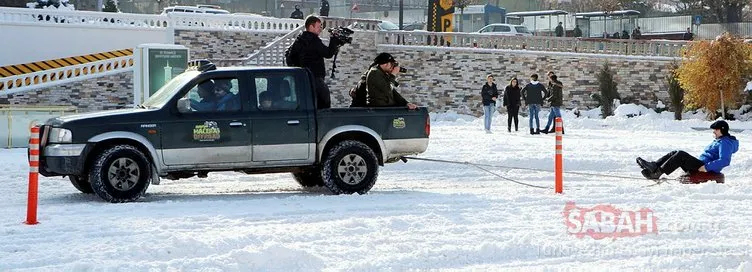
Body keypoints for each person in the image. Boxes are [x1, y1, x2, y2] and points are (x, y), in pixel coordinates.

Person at [636, 120, 739, 181]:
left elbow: (725, 160)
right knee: (675, 152)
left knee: (681, 155)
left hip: (704, 167)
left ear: (722, 130)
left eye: (716, 129)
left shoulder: (725, 143)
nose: (713, 131)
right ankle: (654, 166)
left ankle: (656, 173)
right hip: (701, 165)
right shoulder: (720, 141)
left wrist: (706, 167)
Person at [286, 15, 343, 109]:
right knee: (323, 102)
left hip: (302, 79)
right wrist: (334, 39)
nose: (320, 29)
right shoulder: (313, 40)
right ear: (311, 27)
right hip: (315, 78)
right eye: (318, 27)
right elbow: (328, 53)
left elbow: (290, 57)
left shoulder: (299, 40)